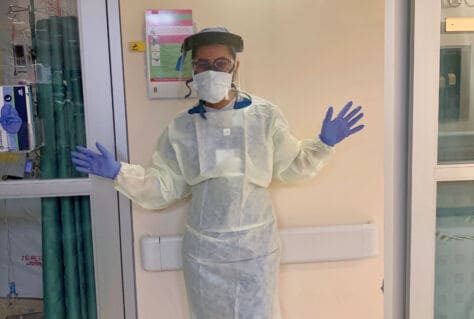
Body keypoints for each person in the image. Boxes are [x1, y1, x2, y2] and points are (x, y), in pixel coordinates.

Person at [71, 27, 364, 319]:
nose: (212, 71)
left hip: (256, 251)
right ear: (193, 69)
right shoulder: (182, 128)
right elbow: (165, 187)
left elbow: (291, 167)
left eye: (220, 63)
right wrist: (120, 173)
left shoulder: (265, 116)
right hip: (204, 255)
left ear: (235, 67)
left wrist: (323, 144)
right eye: (203, 64)